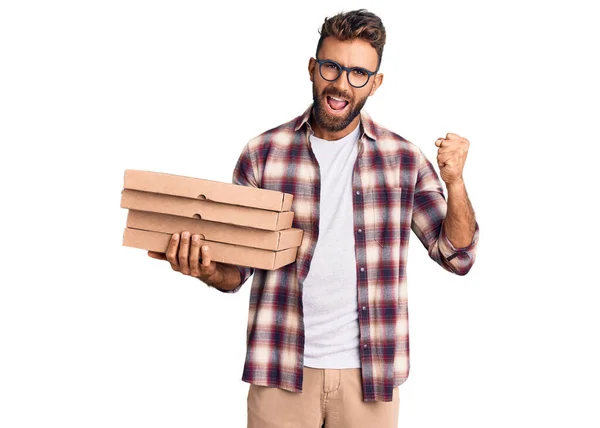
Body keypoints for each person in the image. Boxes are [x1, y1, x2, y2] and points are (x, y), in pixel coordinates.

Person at [148, 8, 479, 428]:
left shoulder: (404, 159)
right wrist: (205, 267)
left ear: (376, 83)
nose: (341, 83)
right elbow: (237, 272)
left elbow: (457, 256)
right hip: (279, 371)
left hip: (371, 379)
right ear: (312, 67)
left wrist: (456, 183)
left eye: (359, 73)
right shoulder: (262, 154)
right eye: (331, 67)